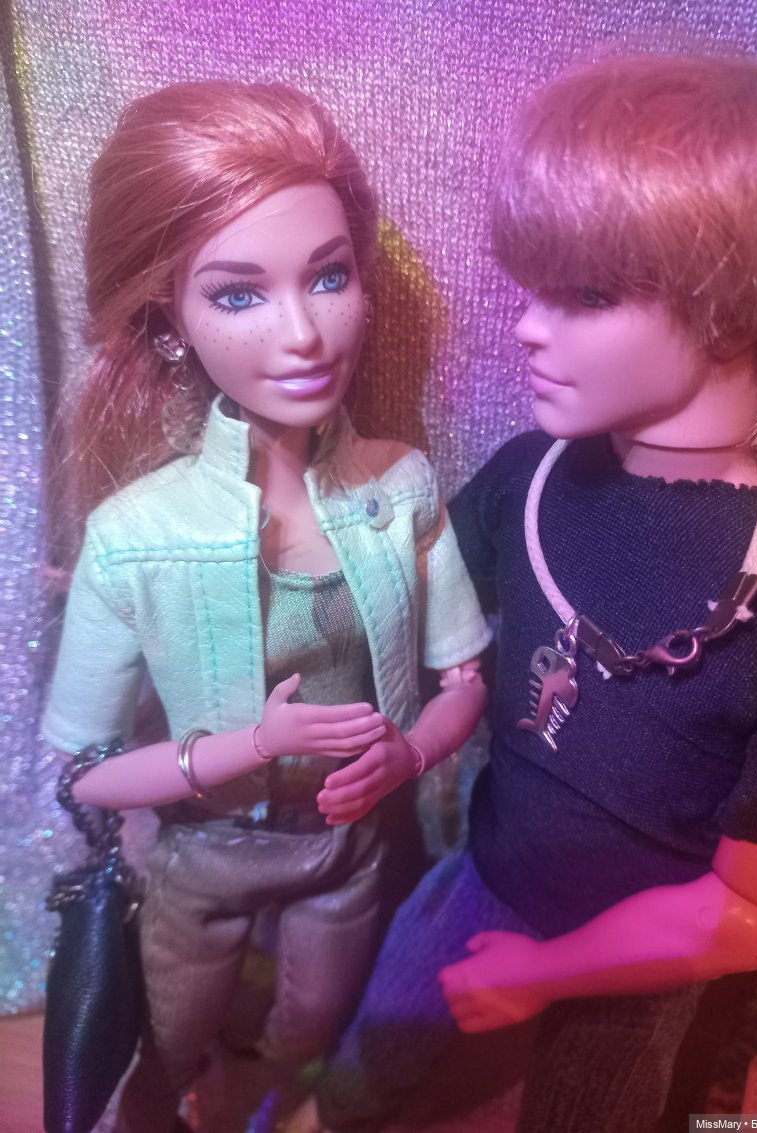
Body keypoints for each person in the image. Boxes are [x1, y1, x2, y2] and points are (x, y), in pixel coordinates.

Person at [293, 52, 757, 1133]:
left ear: (735, 311)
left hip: (641, 965)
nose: (527, 327)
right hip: (484, 874)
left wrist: (546, 972)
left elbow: (744, 916)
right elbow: (403, 603)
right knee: (369, 1059)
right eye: (535, 287)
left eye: (587, 296)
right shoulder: (534, 478)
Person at [40, 80, 490, 1133]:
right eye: (238, 295)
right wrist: (249, 746)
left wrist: (409, 755)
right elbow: (85, 772)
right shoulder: (135, 533)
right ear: (168, 322)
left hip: (349, 846)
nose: (302, 333)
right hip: (203, 852)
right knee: (167, 1043)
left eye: (329, 277)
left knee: (306, 1029)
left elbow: (463, 679)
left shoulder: (401, 487)